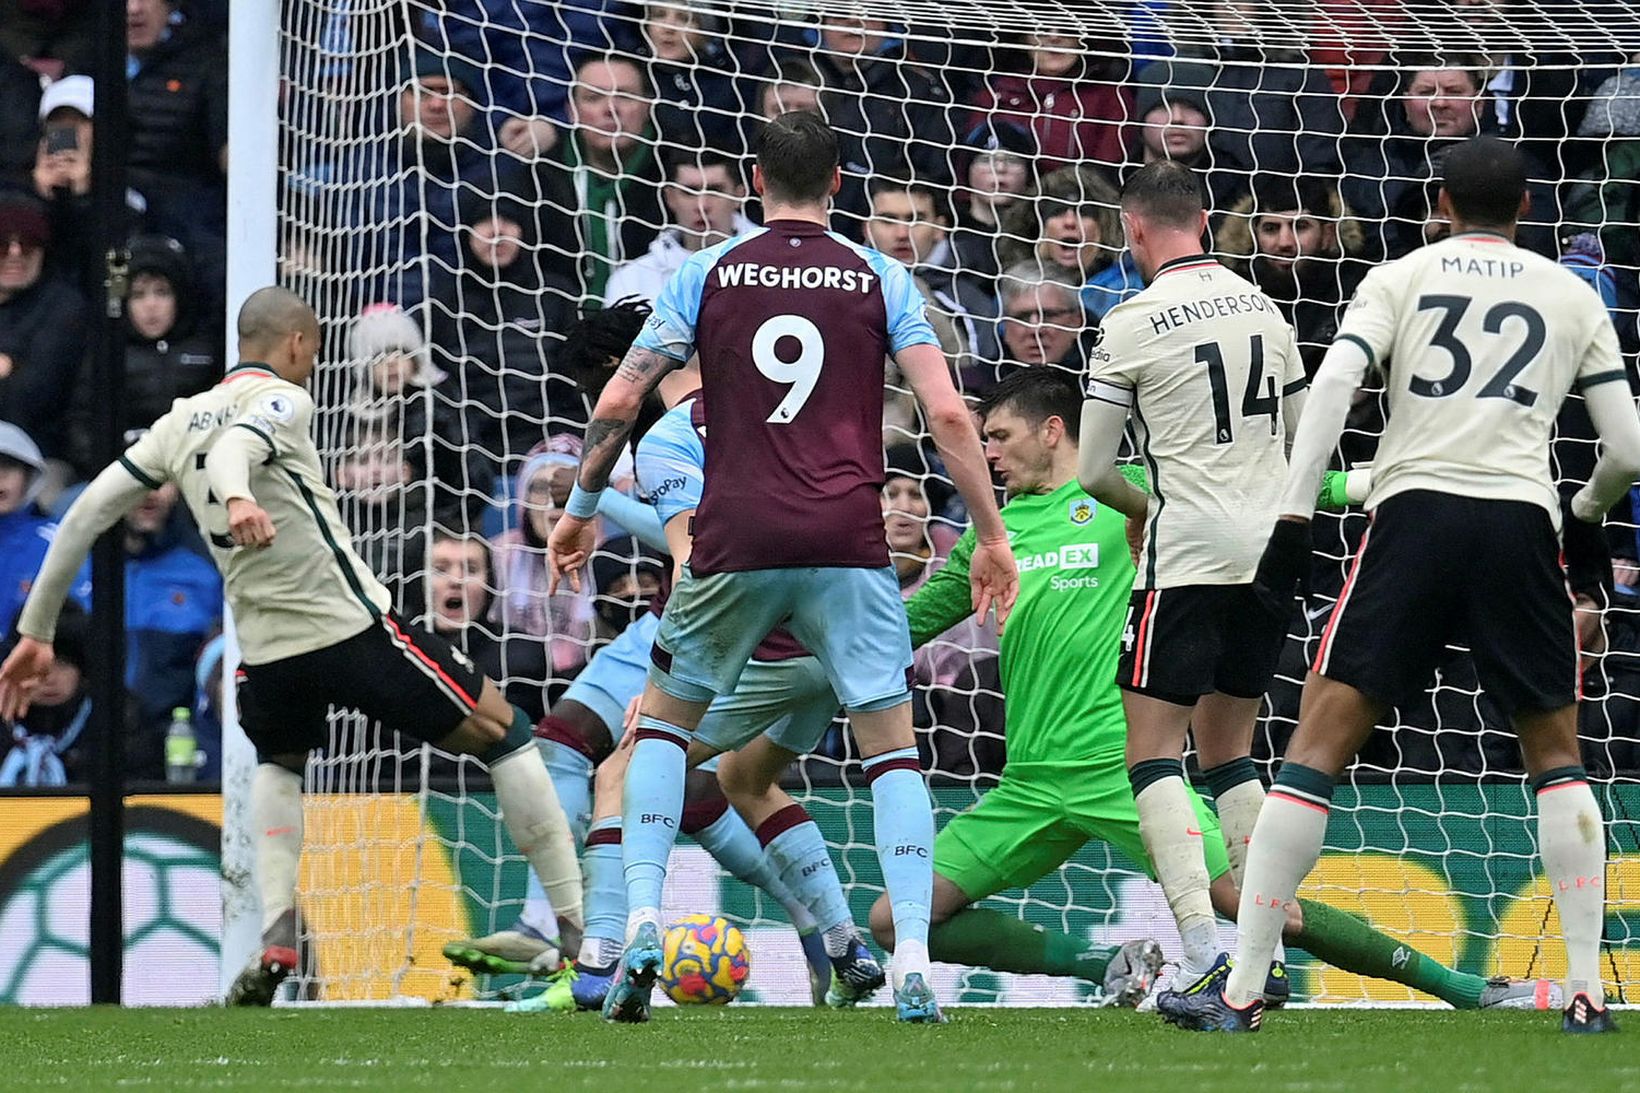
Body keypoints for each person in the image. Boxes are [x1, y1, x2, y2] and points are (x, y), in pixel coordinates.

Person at [874, 357, 1553, 1013]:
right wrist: (821, 640)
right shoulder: (995, 532)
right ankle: (1106, 965)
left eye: (999, 434)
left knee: (1260, 902)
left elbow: (1245, 493)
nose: (987, 451)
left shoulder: (1128, 490)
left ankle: (1469, 989)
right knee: (893, 917)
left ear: (1052, 429)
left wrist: (1356, 486)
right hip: (1028, 781)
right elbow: (915, 621)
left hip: (1122, 768)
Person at [546, 112, 1018, 1024]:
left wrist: (577, 512)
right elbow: (951, 418)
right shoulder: (880, 274)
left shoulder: (706, 271)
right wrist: (989, 534)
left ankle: (639, 918)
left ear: (755, 183)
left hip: (733, 542)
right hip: (847, 544)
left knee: (660, 736)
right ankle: (911, 960)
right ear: (839, 183)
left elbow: (619, 396)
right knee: (893, 758)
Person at [1161, 137, 1640, 1035]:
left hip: (1412, 513)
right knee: (1555, 754)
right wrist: (1582, 510)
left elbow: (1338, 382)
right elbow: (1629, 450)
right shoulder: (1573, 294)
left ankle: (1242, 988)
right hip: (1518, 521)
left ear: (1442, 202)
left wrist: (1295, 512)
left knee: (1316, 747)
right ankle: (1585, 993)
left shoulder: (1400, 275)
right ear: (1528, 206)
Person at [0, 287, 585, 1007]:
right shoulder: (285, 399)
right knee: (506, 731)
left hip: (266, 655)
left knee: (281, 761)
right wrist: (239, 493)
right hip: (351, 630)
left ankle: (278, 925)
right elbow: (243, 444)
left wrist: (35, 629)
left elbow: (86, 511)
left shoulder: (177, 421)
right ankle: (575, 933)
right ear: (299, 345)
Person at [447, 303, 885, 1012]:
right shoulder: (760, 406)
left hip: (719, 622)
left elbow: (697, 548)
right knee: (667, 767)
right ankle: (832, 937)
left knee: (643, 769)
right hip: (809, 622)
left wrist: (600, 511)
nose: (603, 401)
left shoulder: (675, 426)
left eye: (606, 382)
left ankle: (596, 958)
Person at [1076, 160, 1307, 1005]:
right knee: (1233, 751)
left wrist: (1145, 504)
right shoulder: (1264, 307)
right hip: (1273, 542)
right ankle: (1262, 962)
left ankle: (1209, 954)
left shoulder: (1130, 322)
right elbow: (1298, 436)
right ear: (1205, 221)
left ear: (1134, 230)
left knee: (1152, 752)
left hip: (1188, 552)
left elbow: (1094, 469)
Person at [0, 190, 90, 470]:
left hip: (40, 459)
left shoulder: (65, 307)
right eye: (2, 244)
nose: (15, 254)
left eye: (27, 243)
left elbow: (33, 396)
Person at [603, 151, 753, 307]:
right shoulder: (631, 279)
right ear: (670, 197)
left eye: (714, 190)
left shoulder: (774, 261)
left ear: (739, 195)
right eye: (689, 192)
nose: (702, 205)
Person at [0, 420, 87, 640]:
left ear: (30, 476)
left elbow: (80, 622)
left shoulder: (59, 539)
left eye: (9, 465)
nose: (0, 477)